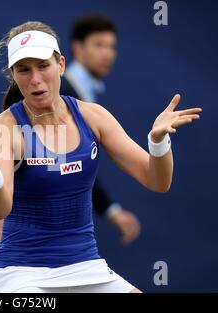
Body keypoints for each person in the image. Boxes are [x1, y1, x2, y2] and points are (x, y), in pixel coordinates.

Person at [0, 21, 201, 293]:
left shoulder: (94, 116)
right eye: (24, 70)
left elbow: (157, 180)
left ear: (61, 64)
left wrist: (157, 142)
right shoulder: (2, 128)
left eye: (43, 66)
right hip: (22, 274)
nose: (36, 79)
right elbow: (0, 208)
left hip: (86, 266)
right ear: (14, 75)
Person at [61, 14, 140, 244]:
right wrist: (7, 199)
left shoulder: (79, 94)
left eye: (111, 46)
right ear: (77, 47)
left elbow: (76, 165)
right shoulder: (63, 92)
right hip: (15, 198)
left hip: (21, 197)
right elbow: (30, 148)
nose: (108, 53)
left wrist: (110, 210)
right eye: (98, 45)